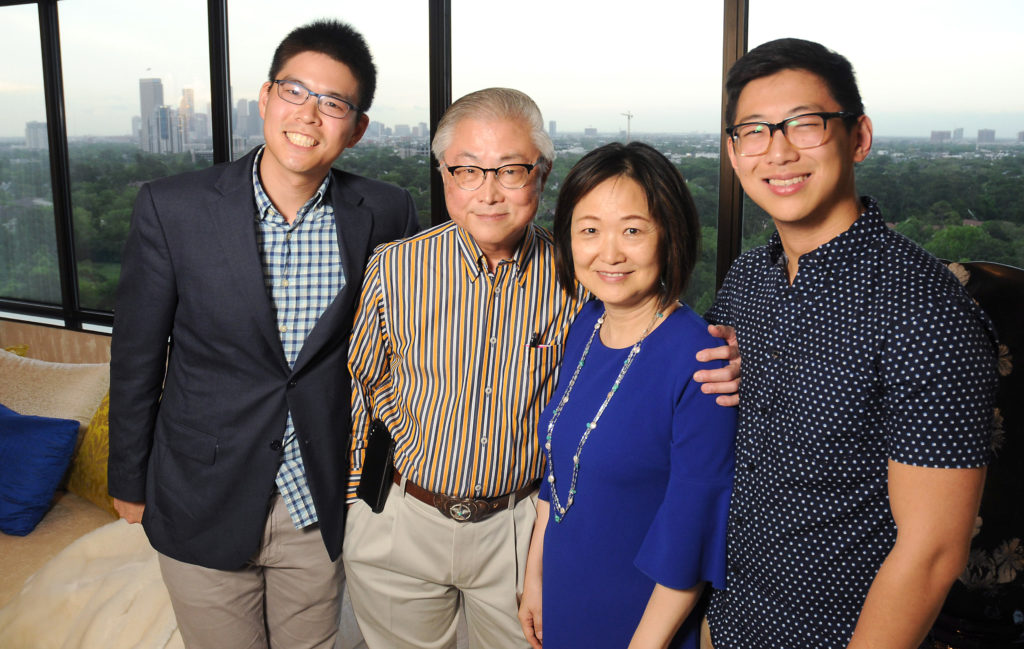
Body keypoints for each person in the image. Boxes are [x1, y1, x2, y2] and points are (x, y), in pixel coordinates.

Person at [343, 88, 739, 649]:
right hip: (403, 521)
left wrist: (730, 357)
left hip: (518, 526)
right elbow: (363, 384)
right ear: (443, 174)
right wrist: (362, 508)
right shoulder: (395, 266)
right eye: (466, 170)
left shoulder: (579, 278)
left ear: (542, 172)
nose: (488, 191)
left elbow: (651, 345)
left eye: (510, 170)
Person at [107, 20, 418, 649]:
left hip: (320, 495)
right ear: (265, 98)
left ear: (356, 128)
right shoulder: (174, 206)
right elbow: (138, 355)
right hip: (202, 491)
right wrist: (128, 481)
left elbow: (424, 329)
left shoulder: (386, 211)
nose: (309, 114)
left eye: (333, 103)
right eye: (294, 91)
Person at [703, 38, 999, 649]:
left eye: (805, 125)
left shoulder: (926, 311)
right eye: (754, 131)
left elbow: (933, 552)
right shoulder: (746, 281)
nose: (778, 151)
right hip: (723, 619)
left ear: (858, 136)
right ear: (734, 154)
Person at [517, 142, 736, 649]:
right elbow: (560, 472)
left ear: (670, 235)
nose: (608, 253)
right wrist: (536, 579)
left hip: (640, 617)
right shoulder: (586, 325)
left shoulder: (700, 359)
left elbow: (691, 531)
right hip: (567, 591)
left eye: (633, 230)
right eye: (589, 230)